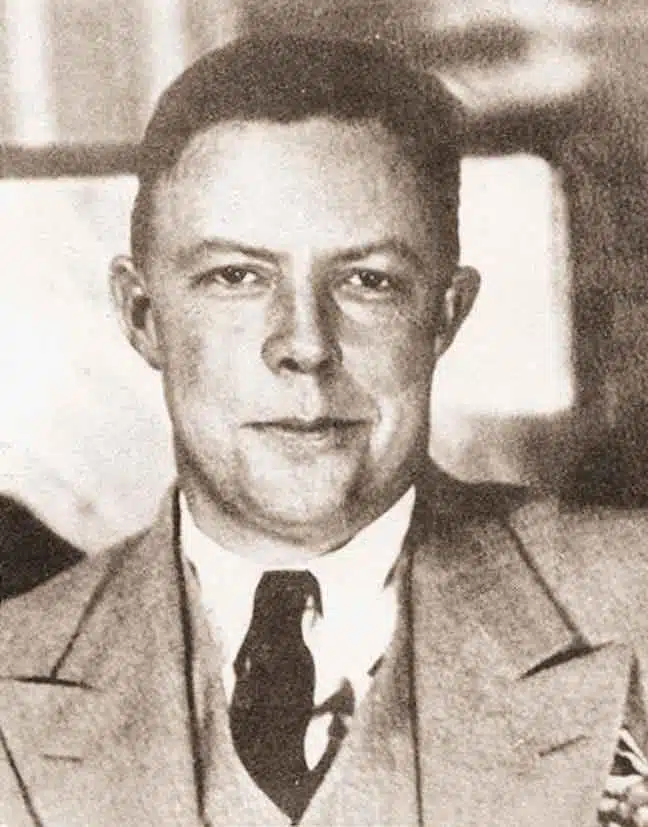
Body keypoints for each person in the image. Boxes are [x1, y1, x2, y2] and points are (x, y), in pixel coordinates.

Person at [0, 35, 642, 827]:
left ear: (445, 316)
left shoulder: (629, 604)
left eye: (369, 280)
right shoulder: (12, 675)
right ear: (143, 316)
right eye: (236, 277)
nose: (304, 345)